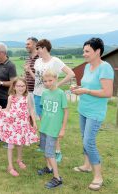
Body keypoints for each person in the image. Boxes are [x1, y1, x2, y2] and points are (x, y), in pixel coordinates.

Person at [71, 38, 114, 191]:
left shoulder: (105, 68)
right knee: (84, 139)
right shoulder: (88, 66)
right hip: (84, 108)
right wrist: (79, 87)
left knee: (89, 141)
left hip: (95, 112)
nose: (84, 54)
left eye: (87, 51)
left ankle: (98, 176)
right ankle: (87, 165)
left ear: (98, 51)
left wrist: (86, 91)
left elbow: (107, 92)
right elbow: (89, 85)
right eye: (84, 51)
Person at [26, 39, 75, 162]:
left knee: (52, 126)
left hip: (50, 97)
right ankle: (46, 147)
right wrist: (30, 71)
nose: (36, 51)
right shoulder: (37, 62)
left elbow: (71, 73)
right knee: (45, 124)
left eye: (38, 48)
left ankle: (57, 151)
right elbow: (39, 79)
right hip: (38, 95)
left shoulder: (55, 61)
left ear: (44, 48)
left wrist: (57, 85)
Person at [0, 77, 38, 176]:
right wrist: (0, 110)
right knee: (11, 145)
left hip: (22, 125)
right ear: (14, 87)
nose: (21, 88)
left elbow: (31, 110)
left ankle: (19, 160)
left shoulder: (28, 97)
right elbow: (7, 109)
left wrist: (34, 122)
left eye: (23, 86)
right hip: (12, 125)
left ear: (26, 87)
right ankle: (10, 166)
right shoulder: (11, 97)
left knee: (20, 143)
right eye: (18, 86)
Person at [37, 69, 68, 189]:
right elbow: (43, 111)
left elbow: (65, 112)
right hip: (44, 127)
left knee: (50, 153)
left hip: (53, 129)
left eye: (50, 80)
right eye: (45, 81)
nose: (48, 83)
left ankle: (57, 178)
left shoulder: (60, 93)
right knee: (44, 149)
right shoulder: (44, 93)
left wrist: (63, 129)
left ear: (56, 79)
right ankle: (49, 168)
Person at [24, 37, 39, 117]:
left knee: (39, 117)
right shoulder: (28, 58)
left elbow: (40, 79)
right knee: (29, 116)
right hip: (28, 92)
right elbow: (26, 74)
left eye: (28, 44)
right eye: (26, 44)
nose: (26, 46)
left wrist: (29, 70)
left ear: (35, 45)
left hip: (37, 92)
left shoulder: (40, 58)